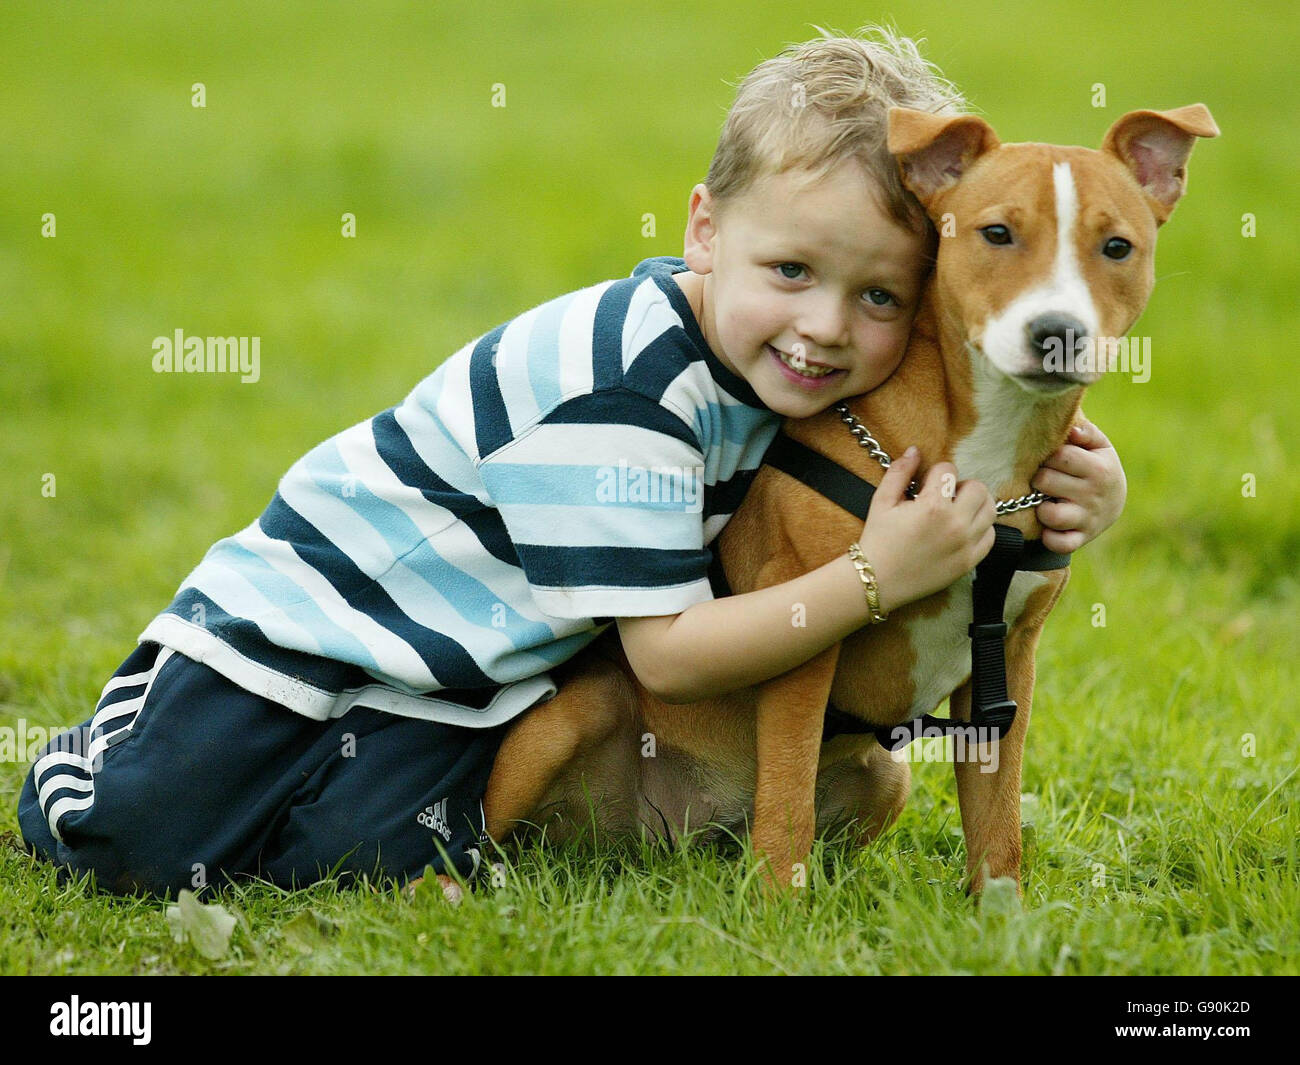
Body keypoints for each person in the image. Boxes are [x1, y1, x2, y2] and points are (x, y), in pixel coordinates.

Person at [18, 28, 1126, 896]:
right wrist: (874, 576)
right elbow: (675, 660)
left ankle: (321, 804)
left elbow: (974, 402)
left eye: (876, 295)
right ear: (703, 231)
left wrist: (1089, 481)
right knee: (139, 844)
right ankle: (79, 766)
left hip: (458, 687)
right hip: (303, 635)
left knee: (362, 857)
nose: (827, 327)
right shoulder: (623, 391)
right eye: (790, 269)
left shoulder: (790, 373)